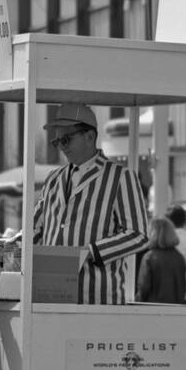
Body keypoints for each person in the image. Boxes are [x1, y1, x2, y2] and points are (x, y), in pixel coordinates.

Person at [33, 103, 148, 305]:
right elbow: (35, 229)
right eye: (57, 141)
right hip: (51, 298)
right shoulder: (53, 178)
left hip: (98, 300)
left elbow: (138, 235)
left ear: (90, 136)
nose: (62, 146)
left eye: (66, 139)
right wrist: (4, 250)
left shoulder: (120, 176)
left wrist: (91, 252)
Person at [137, 216, 186, 303]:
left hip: (153, 308)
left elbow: (144, 288)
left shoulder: (149, 257)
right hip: (176, 308)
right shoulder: (179, 257)